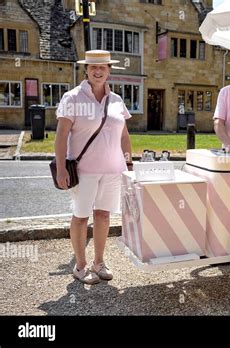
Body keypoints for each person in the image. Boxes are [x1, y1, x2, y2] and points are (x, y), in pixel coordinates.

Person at [54, 50, 133, 285]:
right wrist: (60, 168)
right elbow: (61, 136)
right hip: (84, 170)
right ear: (86, 70)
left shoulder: (117, 100)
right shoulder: (73, 98)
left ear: (109, 70)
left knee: (103, 215)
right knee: (80, 217)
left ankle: (99, 262)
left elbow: (124, 136)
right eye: (93, 67)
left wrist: (129, 163)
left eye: (102, 68)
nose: (98, 71)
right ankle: (80, 266)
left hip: (112, 170)